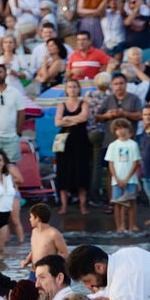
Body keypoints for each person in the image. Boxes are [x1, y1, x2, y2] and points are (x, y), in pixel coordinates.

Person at [53, 78, 91, 215]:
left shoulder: (84, 103)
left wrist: (67, 119)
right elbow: (57, 122)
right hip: (65, 142)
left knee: (81, 172)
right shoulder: (62, 105)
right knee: (64, 173)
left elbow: (84, 117)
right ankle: (63, 206)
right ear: (66, 90)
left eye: (75, 86)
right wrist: (73, 120)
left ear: (79, 89)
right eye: (70, 87)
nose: (73, 89)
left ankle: (82, 205)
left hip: (81, 141)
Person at [105, 118, 142, 233]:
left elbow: (136, 162)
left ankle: (131, 226)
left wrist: (127, 178)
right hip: (116, 180)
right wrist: (116, 178)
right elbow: (110, 164)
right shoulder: (113, 145)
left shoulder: (133, 144)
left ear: (128, 129)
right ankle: (119, 227)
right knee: (117, 203)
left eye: (123, 128)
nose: (121, 131)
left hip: (130, 179)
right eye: (118, 129)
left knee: (131, 202)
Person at [20, 203, 67, 271]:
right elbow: (34, 250)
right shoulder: (34, 232)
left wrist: (52, 264)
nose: (30, 219)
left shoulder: (53, 233)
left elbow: (65, 253)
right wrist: (27, 261)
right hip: (34, 270)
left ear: (38, 218)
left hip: (47, 272)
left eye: (31, 217)